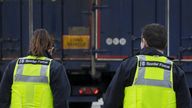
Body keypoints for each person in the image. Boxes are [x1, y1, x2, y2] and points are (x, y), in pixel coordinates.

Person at [103, 23, 192, 108]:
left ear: (144, 42)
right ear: (165, 44)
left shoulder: (129, 66)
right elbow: (185, 104)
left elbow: (111, 103)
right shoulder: (175, 71)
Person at [0, 29, 71, 108]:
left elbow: (3, 99)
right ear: (49, 48)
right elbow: (61, 102)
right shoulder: (55, 68)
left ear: (31, 45)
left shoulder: (13, 66)